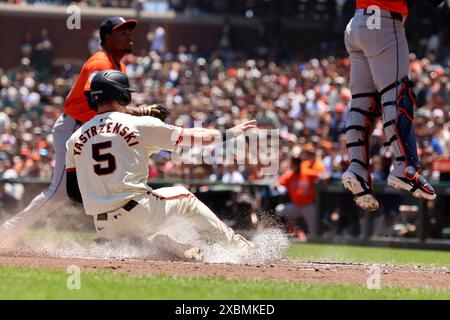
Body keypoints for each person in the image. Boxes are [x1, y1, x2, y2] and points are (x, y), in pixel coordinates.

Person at [0, 17, 169, 248]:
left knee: (111, 182)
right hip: (75, 126)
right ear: (107, 38)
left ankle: (116, 235)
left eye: (130, 31)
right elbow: (94, 101)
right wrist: (140, 112)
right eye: (123, 32)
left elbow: (111, 109)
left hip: (95, 130)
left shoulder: (118, 65)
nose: (130, 35)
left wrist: (139, 114)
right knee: (60, 192)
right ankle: (7, 233)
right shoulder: (99, 62)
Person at [65, 70, 256, 260]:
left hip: (103, 226)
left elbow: (73, 192)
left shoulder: (75, 138)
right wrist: (228, 133)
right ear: (122, 94)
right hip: (138, 210)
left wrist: (105, 200)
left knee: (145, 231)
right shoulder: (136, 124)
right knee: (185, 198)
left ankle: (156, 244)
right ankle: (237, 246)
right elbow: (192, 137)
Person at [341, 0, 438, 212]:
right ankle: (406, 166)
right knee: (397, 95)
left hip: (357, 22)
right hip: (383, 21)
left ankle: (357, 167)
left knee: (362, 103)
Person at [274, 148, 321, 239]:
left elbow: (323, 176)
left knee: (314, 230)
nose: (296, 164)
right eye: (295, 162)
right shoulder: (289, 175)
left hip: (308, 206)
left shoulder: (307, 173)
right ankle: (287, 232)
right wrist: (279, 187)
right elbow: (277, 184)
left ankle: (314, 240)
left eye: (298, 162)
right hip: (296, 206)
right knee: (279, 210)